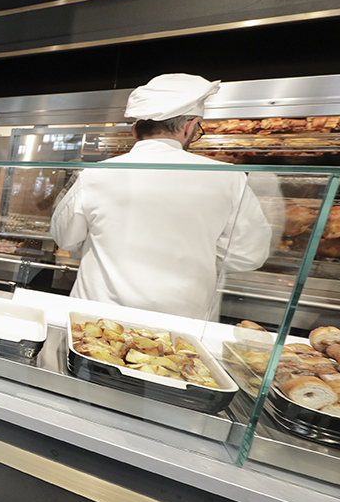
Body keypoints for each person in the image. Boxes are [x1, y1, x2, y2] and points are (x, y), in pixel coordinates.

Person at [49, 73, 272, 320]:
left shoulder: (98, 173)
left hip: (96, 322)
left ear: (135, 130)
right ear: (190, 126)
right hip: (179, 329)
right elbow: (248, 255)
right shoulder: (230, 177)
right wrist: (200, 245)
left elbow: (66, 239)